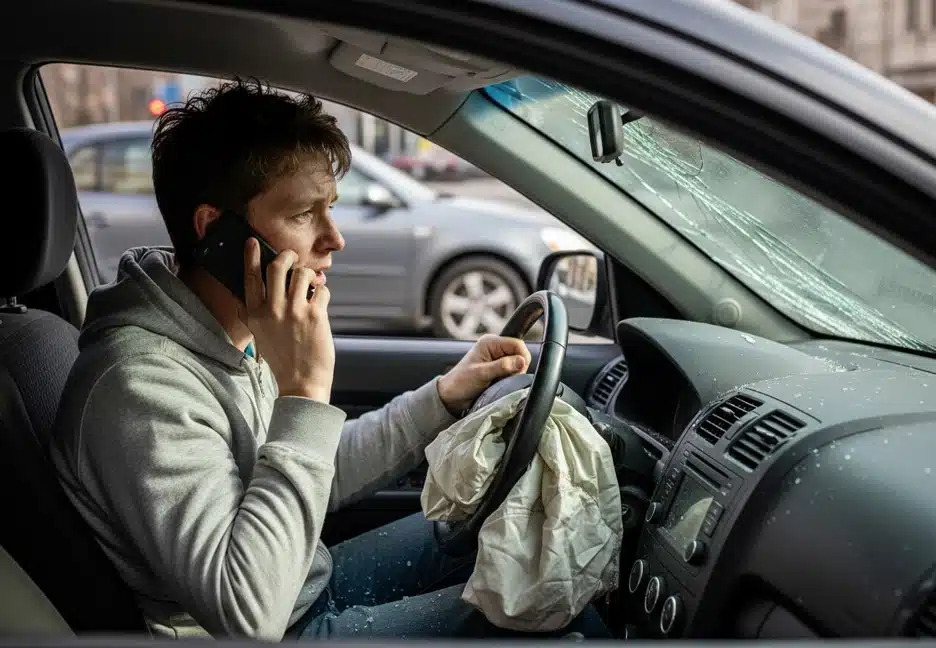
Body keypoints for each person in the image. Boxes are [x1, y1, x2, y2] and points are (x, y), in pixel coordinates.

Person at [51, 78, 610, 641]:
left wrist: (444, 396)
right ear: (215, 231)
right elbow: (249, 615)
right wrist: (303, 393)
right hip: (266, 622)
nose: (334, 239)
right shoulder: (140, 385)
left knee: (516, 546)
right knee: (555, 621)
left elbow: (313, 471)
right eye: (303, 214)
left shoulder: (229, 328)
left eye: (331, 210)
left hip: (300, 582)